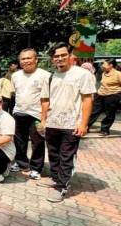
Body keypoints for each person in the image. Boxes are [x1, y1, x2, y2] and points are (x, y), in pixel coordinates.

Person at [39, 42, 95, 203]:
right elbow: (45, 100)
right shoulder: (50, 77)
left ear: (70, 56)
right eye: (56, 56)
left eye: (63, 55)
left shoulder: (82, 74)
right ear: (52, 59)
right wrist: (43, 121)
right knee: (53, 154)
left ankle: (62, 186)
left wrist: (83, 124)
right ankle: (57, 178)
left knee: (66, 156)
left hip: (71, 124)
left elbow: (87, 100)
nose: (60, 58)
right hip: (52, 123)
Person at [10, 48, 51, 179]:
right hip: (19, 112)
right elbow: (13, 95)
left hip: (36, 115)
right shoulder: (15, 76)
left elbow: (47, 99)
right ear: (19, 61)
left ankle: (36, 168)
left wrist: (44, 119)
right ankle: (22, 163)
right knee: (19, 141)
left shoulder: (45, 75)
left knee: (37, 142)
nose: (26, 61)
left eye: (29, 58)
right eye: (23, 59)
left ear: (36, 59)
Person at [88, 59, 121, 136]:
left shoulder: (118, 74)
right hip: (100, 94)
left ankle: (105, 129)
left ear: (111, 65)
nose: (102, 66)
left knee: (109, 114)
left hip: (112, 96)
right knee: (94, 111)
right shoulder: (104, 73)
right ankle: (86, 126)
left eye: (105, 64)